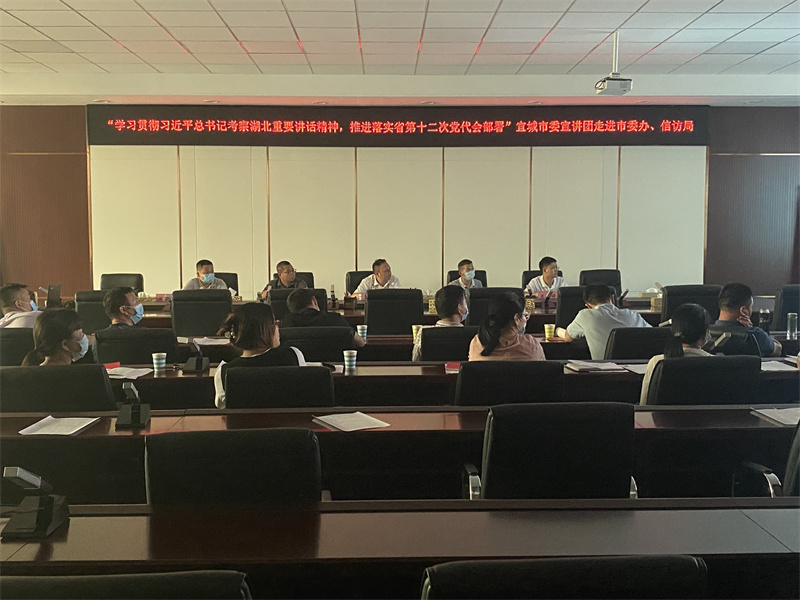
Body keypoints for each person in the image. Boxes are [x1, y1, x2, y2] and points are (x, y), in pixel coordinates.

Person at [214, 303, 306, 408]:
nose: (278, 328)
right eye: (274, 323)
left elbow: (224, 408)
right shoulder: (294, 356)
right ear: (264, 330)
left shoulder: (223, 373)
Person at [640, 303, 713, 404]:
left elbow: (644, 404)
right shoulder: (717, 363)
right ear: (706, 333)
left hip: (660, 415)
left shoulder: (656, 362)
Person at [556, 284, 650, 360]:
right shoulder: (632, 314)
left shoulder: (585, 315)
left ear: (588, 306)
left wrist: (557, 330)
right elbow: (653, 334)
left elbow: (568, 337)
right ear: (612, 299)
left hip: (605, 372)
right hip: (637, 369)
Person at [468, 292, 545, 361]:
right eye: (525, 316)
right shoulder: (531, 345)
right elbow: (544, 370)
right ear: (516, 318)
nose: (526, 320)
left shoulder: (477, 342)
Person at [713, 282, 782, 357]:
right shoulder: (754, 335)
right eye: (751, 306)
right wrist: (752, 329)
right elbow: (778, 349)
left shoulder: (707, 333)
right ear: (743, 311)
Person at [282, 288, 365, 348]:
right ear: (314, 300)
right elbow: (360, 343)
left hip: (298, 367)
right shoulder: (335, 319)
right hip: (336, 366)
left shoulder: (286, 322)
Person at [412, 286, 468, 361]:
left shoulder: (423, 333)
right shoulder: (472, 335)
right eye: (465, 302)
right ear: (460, 308)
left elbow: (416, 361)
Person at [21, 308, 88, 366]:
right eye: (80, 334)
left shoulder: (27, 372)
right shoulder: (78, 375)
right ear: (65, 344)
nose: (84, 337)